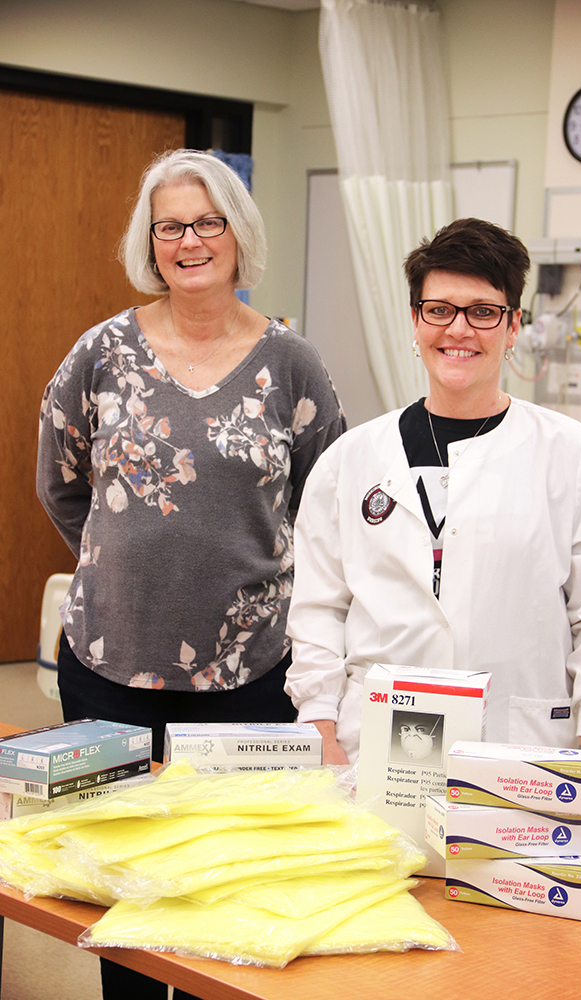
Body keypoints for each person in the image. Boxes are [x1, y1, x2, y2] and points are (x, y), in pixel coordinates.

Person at [36, 148, 345, 1000]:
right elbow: (59, 483)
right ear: (151, 241)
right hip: (109, 672)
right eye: (170, 225)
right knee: (126, 898)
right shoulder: (100, 353)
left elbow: (327, 509)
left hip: (250, 678)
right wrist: (125, 564)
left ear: (238, 236)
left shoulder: (294, 366)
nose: (189, 241)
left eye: (207, 222)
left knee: (224, 899)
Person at [285, 217, 581, 837]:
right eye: (439, 309)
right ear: (416, 321)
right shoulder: (349, 460)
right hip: (375, 752)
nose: (458, 329)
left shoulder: (575, 455)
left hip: (524, 749)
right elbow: (318, 611)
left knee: (517, 929)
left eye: (482, 311)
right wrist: (321, 731)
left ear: (513, 326)